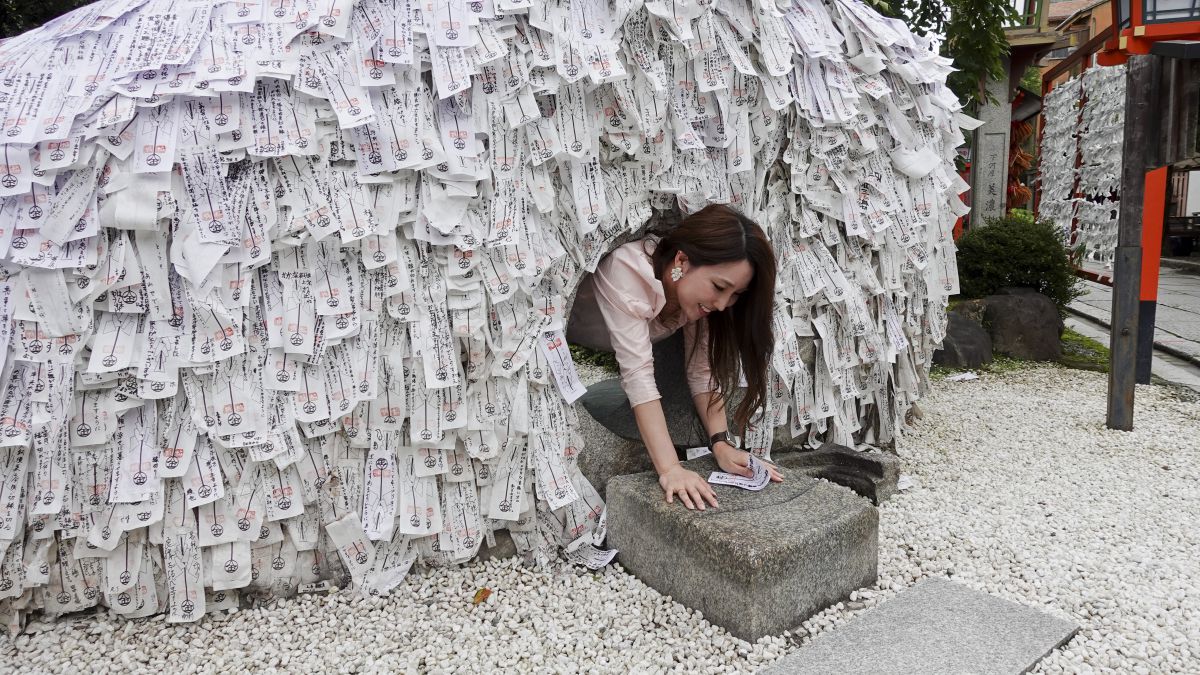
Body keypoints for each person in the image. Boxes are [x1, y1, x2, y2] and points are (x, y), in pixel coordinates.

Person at [568, 204, 783, 511]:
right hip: (568, 328)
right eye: (720, 287)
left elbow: (702, 370)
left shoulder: (696, 301)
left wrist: (720, 442)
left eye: (735, 294)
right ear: (681, 259)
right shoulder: (629, 270)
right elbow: (638, 375)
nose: (723, 304)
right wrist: (670, 469)